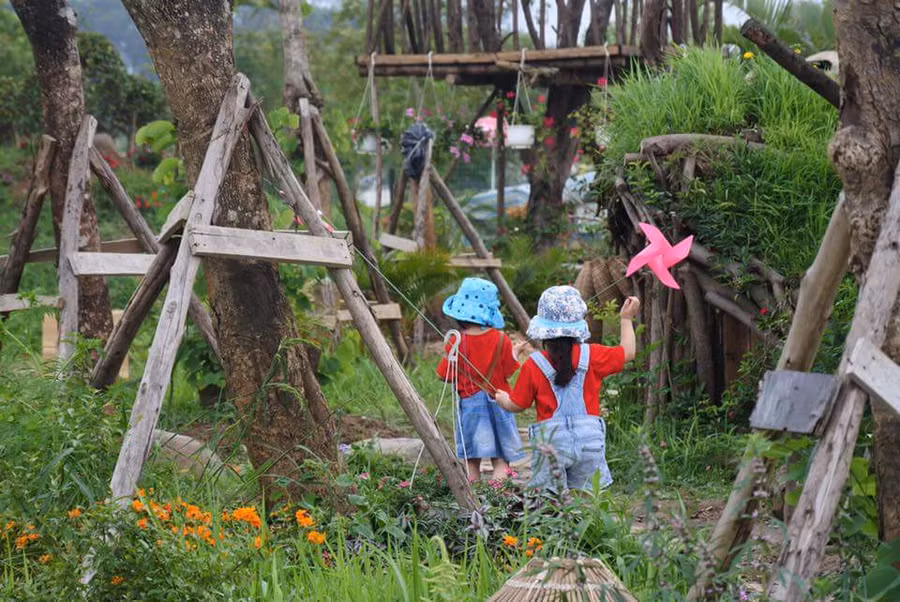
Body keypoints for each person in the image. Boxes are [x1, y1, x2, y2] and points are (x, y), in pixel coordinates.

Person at [495, 285, 640, 492]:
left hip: (551, 443)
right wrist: (626, 319)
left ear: (543, 330)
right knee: (588, 497)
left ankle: (559, 523)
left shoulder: (534, 364)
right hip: (588, 440)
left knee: (550, 501)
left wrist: (503, 400)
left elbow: (518, 404)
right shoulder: (593, 356)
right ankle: (588, 525)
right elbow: (627, 352)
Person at [437, 278, 525, 482]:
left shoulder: (455, 341)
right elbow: (509, 371)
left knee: (471, 460)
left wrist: (449, 353)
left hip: (470, 406)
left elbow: (444, 375)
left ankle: (472, 502)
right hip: (500, 402)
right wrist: (515, 353)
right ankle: (497, 501)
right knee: (501, 459)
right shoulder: (501, 338)